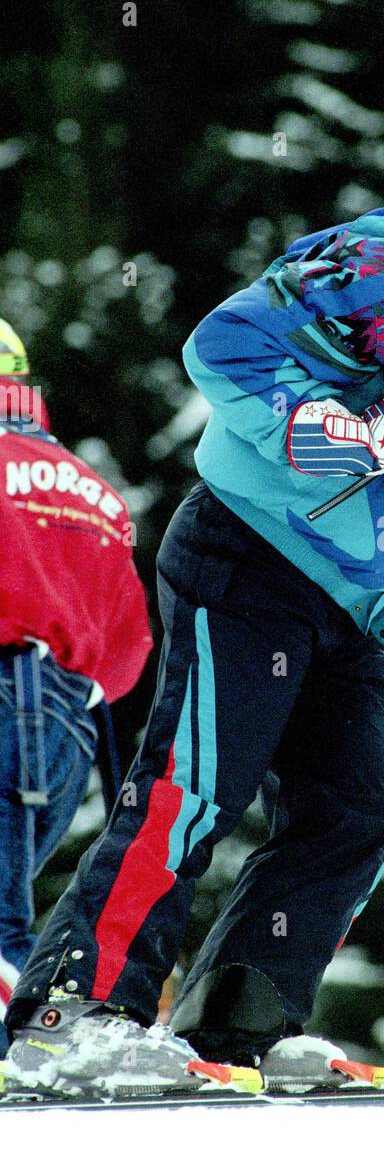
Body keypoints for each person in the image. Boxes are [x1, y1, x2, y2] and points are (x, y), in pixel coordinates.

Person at [4, 120, 384, 1097]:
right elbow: (223, 348)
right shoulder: (381, 260)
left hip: (358, 602)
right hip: (251, 550)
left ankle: (236, 1025)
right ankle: (67, 1020)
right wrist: (349, 435)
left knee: (353, 812)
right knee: (191, 787)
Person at [0, 320, 152, 1057]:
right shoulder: (94, 490)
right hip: (69, 722)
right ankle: (43, 1044)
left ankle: (33, 1048)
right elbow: (129, 644)